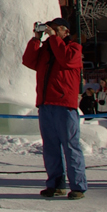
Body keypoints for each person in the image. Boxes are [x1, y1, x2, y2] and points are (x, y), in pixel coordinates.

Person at [22, 18, 88, 199]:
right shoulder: (46, 50)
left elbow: (66, 60)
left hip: (65, 106)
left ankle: (78, 186)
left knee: (70, 146)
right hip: (45, 105)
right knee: (50, 147)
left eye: (56, 29)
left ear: (65, 31)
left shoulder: (73, 48)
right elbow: (28, 61)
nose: (52, 32)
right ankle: (55, 184)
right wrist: (36, 39)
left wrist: (53, 39)